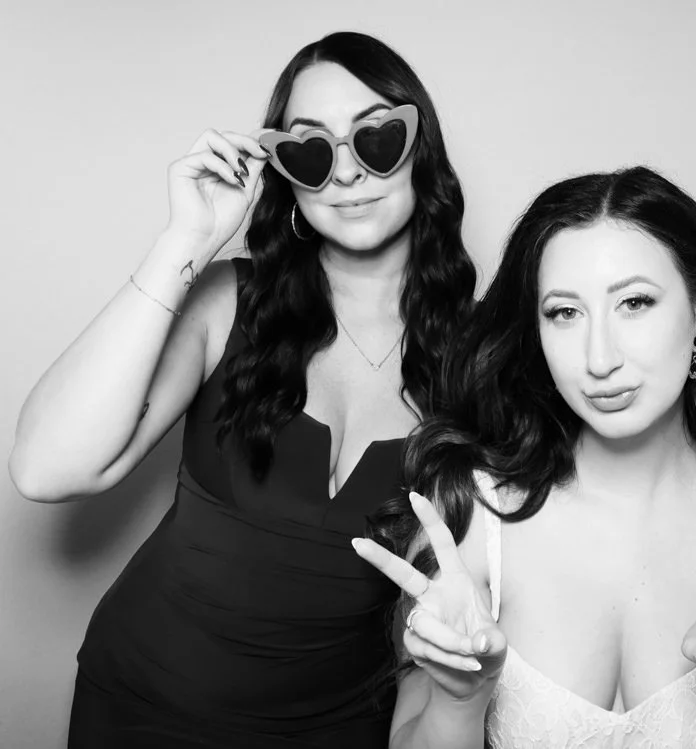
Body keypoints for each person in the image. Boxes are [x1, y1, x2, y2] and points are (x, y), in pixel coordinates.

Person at [9, 31, 476, 748]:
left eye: (377, 137)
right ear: (283, 173)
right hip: (141, 706)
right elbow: (47, 469)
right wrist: (183, 245)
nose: (347, 173)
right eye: (311, 150)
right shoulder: (231, 301)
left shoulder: (479, 360)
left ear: (422, 148)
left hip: (340, 729)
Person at [354, 166, 696, 749]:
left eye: (635, 303)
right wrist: (460, 700)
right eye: (565, 312)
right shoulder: (472, 514)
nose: (599, 357)